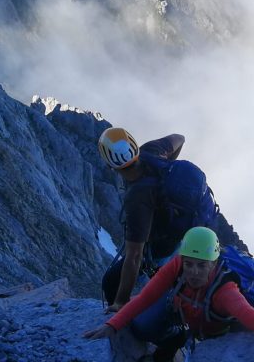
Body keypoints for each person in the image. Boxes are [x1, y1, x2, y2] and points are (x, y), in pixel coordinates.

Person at [83, 227, 254, 362]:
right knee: (142, 326)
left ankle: (175, 343)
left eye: (201, 266)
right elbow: (145, 298)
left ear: (214, 263)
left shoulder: (225, 291)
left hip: (214, 331)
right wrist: (111, 325)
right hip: (184, 314)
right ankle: (173, 339)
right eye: (189, 265)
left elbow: (249, 315)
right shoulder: (177, 265)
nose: (194, 272)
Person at [97, 127, 243, 312]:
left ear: (111, 166)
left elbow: (135, 256)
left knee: (111, 282)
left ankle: (140, 324)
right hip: (194, 229)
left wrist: (120, 301)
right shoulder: (151, 150)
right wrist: (166, 174)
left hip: (166, 246)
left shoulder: (138, 198)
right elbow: (179, 138)